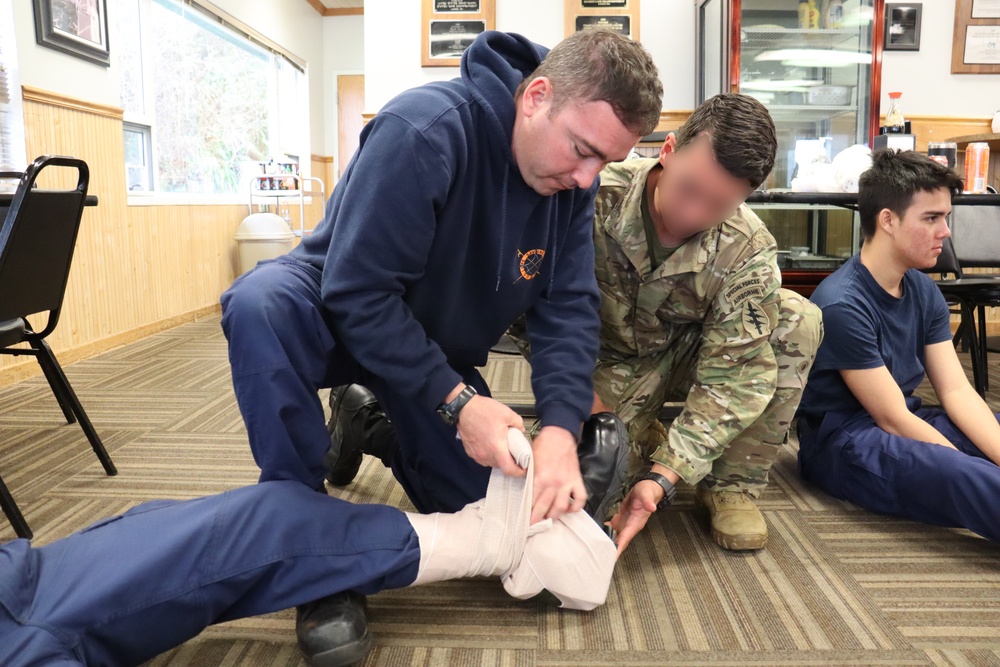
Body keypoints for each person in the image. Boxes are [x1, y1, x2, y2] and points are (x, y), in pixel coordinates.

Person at [219, 28, 662, 664]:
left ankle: (368, 419)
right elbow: (359, 296)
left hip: (427, 344)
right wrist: (458, 404)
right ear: (536, 97)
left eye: (606, 163)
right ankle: (311, 552)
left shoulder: (572, 181)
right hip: (336, 304)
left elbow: (566, 311)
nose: (589, 176)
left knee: (500, 517)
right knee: (258, 304)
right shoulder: (424, 131)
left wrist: (562, 429)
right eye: (584, 151)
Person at [0, 430, 617, 667]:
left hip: (20, 583)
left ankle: (486, 534)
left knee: (255, 518)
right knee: (269, 525)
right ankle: (491, 540)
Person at [517, 93, 823, 554]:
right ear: (668, 149)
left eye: (719, 204)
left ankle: (729, 483)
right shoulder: (590, 194)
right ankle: (643, 435)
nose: (693, 214)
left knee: (796, 319)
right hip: (599, 358)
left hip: (693, 355)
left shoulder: (747, 247)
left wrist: (662, 480)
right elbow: (527, 309)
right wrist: (583, 400)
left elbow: (735, 375)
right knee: (569, 499)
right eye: (689, 189)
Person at [796, 149, 1000, 542]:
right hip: (845, 441)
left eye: (946, 217)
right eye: (931, 218)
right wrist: (975, 465)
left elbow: (957, 391)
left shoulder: (923, 290)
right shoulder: (842, 302)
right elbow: (891, 418)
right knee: (960, 474)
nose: (946, 231)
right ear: (887, 220)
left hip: (906, 418)